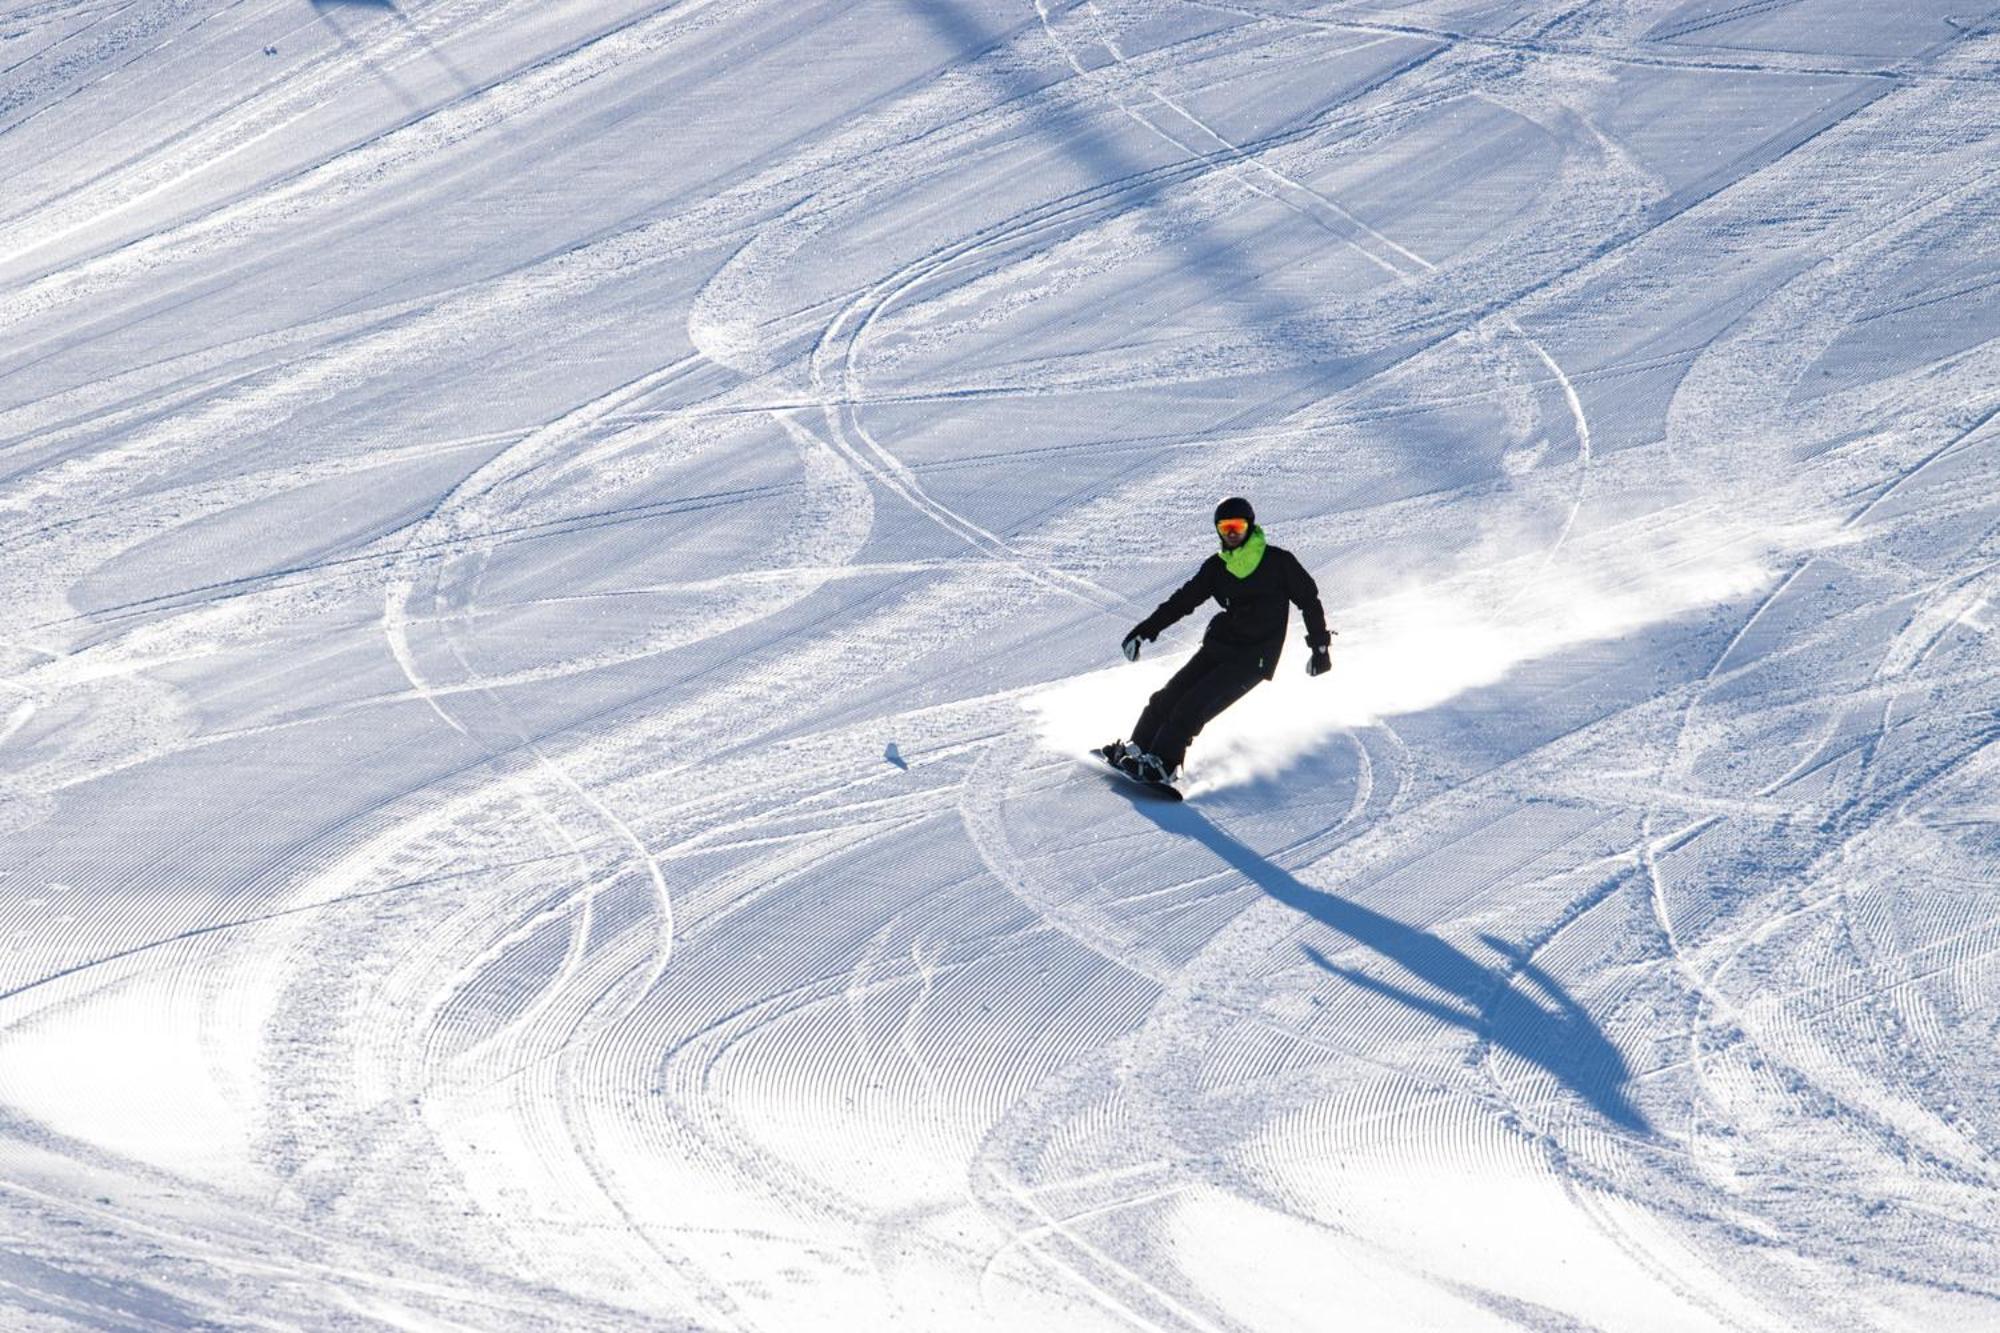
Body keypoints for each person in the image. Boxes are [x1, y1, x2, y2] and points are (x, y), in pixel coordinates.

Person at [1107, 497, 1332, 784]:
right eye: (1226, 528)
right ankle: (1137, 750)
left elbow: (1309, 601)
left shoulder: (1278, 562)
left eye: (1238, 527)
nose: (1233, 534)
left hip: (1253, 658)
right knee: (1168, 696)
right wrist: (1145, 630)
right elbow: (1182, 601)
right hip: (1219, 646)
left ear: (1250, 526)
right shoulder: (1217, 567)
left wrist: (1320, 648)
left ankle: (1165, 765)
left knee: (1191, 707)